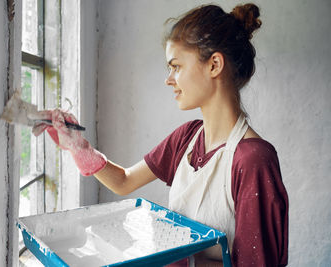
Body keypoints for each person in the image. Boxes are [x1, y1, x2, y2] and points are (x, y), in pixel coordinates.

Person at [33, 3, 288, 266]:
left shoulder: (253, 159)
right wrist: (78, 147)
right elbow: (124, 181)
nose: (169, 79)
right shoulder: (187, 138)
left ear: (214, 65)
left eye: (176, 66)